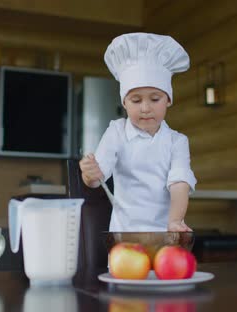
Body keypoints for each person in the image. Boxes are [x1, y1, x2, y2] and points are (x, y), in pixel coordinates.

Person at [79, 32, 197, 232]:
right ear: (124, 102)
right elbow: (97, 179)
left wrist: (176, 221)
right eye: (136, 100)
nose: (145, 108)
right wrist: (89, 174)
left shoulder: (177, 141)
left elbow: (179, 183)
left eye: (155, 99)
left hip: (164, 236)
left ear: (168, 99)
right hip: (125, 238)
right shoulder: (116, 132)